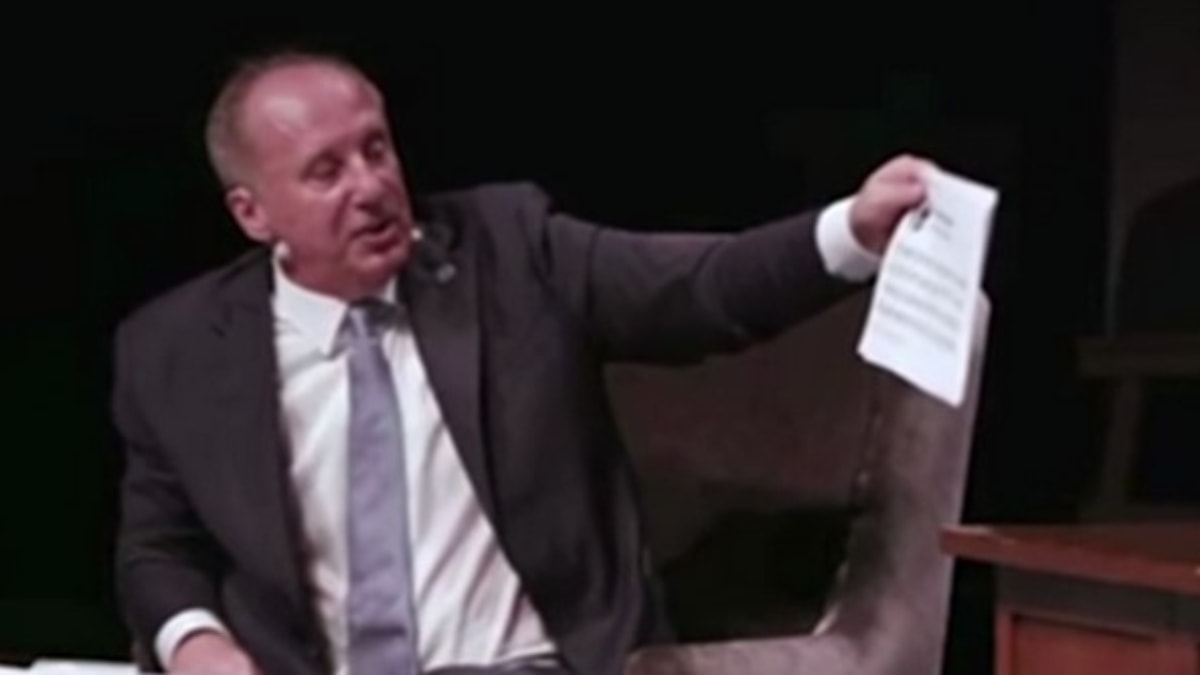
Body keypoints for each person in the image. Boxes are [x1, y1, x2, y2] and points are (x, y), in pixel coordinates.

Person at [110, 49, 931, 675]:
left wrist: (852, 229)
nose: (371, 185)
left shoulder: (511, 251)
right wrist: (199, 646)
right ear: (253, 214)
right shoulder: (174, 350)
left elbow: (699, 288)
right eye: (327, 171)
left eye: (376, 149)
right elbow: (158, 546)